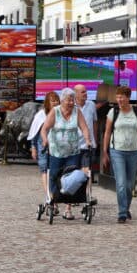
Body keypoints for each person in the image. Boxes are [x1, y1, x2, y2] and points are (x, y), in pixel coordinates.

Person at [40, 87, 92, 220]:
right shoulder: (55, 112)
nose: (70, 103)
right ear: (62, 100)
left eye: (72, 100)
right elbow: (44, 129)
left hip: (73, 151)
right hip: (56, 152)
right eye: (68, 100)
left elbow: (84, 127)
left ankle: (68, 208)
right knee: (54, 177)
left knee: (71, 178)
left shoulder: (77, 111)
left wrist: (87, 140)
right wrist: (45, 140)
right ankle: (54, 202)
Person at [101, 85, 137, 224]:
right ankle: (122, 213)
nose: (119, 99)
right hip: (117, 151)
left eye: (122, 97)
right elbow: (107, 132)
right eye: (118, 97)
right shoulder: (113, 112)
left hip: (133, 151)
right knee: (121, 183)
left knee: (129, 185)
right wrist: (105, 151)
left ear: (128, 97)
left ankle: (126, 207)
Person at [28, 91, 60, 206]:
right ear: (48, 103)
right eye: (53, 101)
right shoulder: (41, 115)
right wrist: (33, 147)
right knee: (44, 169)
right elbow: (35, 133)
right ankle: (49, 195)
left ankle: (54, 194)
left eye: (57, 100)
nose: (55, 103)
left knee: (54, 171)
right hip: (43, 146)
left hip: (56, 147)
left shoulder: (60, 114)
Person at [74, 85, 98, 177]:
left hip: (89, 145)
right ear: (76, 94)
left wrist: (95, 140)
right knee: (75, 170)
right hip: (75, 145)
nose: (86, 93)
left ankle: (86, 189)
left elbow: (95, 122)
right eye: (83, 92)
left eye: (86, 91)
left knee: (87, 170)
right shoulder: (71, 106)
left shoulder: (91, 104)